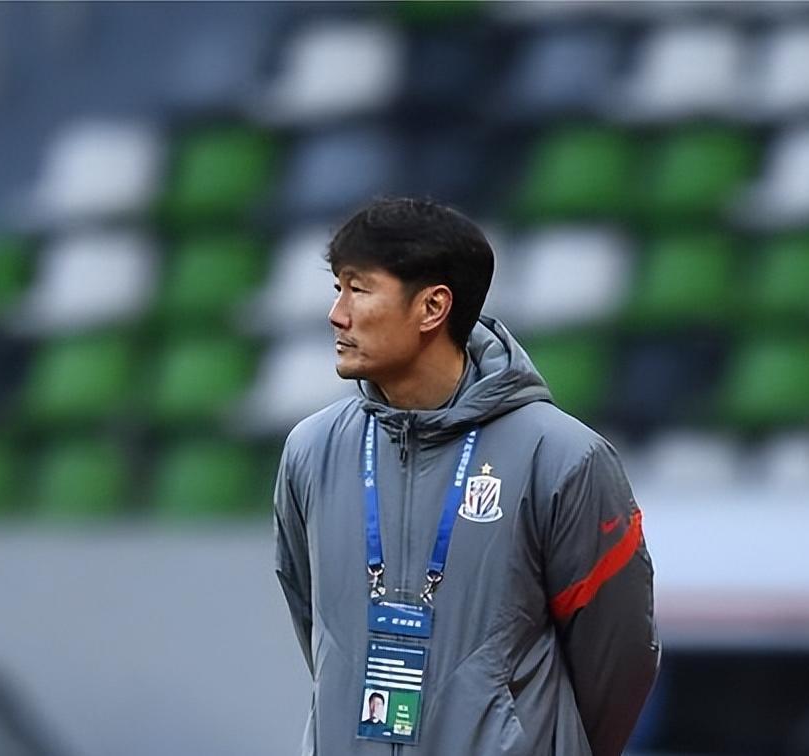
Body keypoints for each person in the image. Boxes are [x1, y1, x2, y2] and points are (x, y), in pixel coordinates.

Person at [274, 197, 660, 755]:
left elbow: (619, 660)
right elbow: (318, 628)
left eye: (358, 289)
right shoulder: (312, 451)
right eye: (338, 288)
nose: (337, 313)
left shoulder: (562, 457)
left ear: (432, 307)